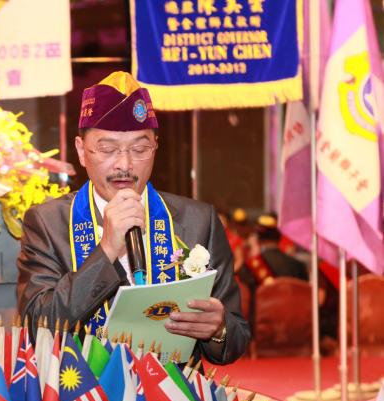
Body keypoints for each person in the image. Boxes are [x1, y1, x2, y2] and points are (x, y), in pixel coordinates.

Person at [17, 72, 250, 365]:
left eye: (139, 149)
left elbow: (237, 337)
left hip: (172, 388)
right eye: (108, 149)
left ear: (155, 147)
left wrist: (219, 329)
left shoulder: (198, 220)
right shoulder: (47, 223)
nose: (124, 165)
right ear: (81, 151)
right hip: (82, 387)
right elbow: (37, 327)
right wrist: (106, 250)